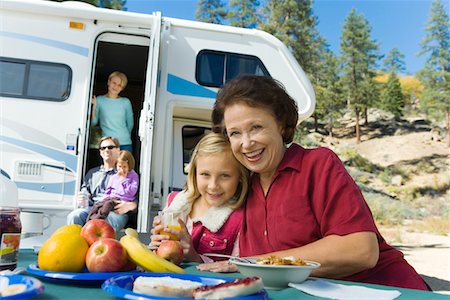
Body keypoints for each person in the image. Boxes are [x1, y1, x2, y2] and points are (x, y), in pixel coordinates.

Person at [201, 75, 430, 290]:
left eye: (256, 127)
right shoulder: (245, 186)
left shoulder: (317, 164)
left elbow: (361, 250)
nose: (247, 143)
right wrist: (186, 248)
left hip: (384, 290)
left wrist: (258, 261)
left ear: (281, 124)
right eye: (235, 133)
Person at [150, 133, 249, 263]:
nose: (213, 186)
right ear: (194, 173)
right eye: (205, 174)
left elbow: (238, 269)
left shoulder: (240, 220)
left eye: (225, 176)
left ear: (240, 177)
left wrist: (193, 256)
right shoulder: (174, 203)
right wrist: (157, 245)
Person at [67, 136, 137, 230]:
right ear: (100, 152)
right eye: (103, 148)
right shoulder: (92, 173)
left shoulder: (127, 173)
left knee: (106, 221)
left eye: (110, 147)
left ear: (118, 150)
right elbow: (85, 193)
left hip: (115, 210)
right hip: (94, 208)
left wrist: (132, 205)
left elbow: (139, 198)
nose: (107, 150)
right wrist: (82, 198)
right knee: (75, 215)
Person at [87, 150, 139, 232]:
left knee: (108, 205)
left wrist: (123, 180)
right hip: (111, 198)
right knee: (98, 205)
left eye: (124, 167)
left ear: (130, 166)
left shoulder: (133, 176)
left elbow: (132, 191)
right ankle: (91, 220)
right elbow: (108, 190)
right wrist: (104, 198)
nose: (122, 169)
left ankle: (99, 219)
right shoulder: (114, 177)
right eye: (119, 166)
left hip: (122, 200)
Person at [91, 71, 134, 152]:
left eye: (120, 85)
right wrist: (94, 107)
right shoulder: (99, 100)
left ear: (122, 88)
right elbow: (93, 123)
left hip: (125, 144)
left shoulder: (126, 102)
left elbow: (130, 124)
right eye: (114, 83)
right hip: (107, 144)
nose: (116, 87)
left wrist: (123, 137)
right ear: (108, 82)